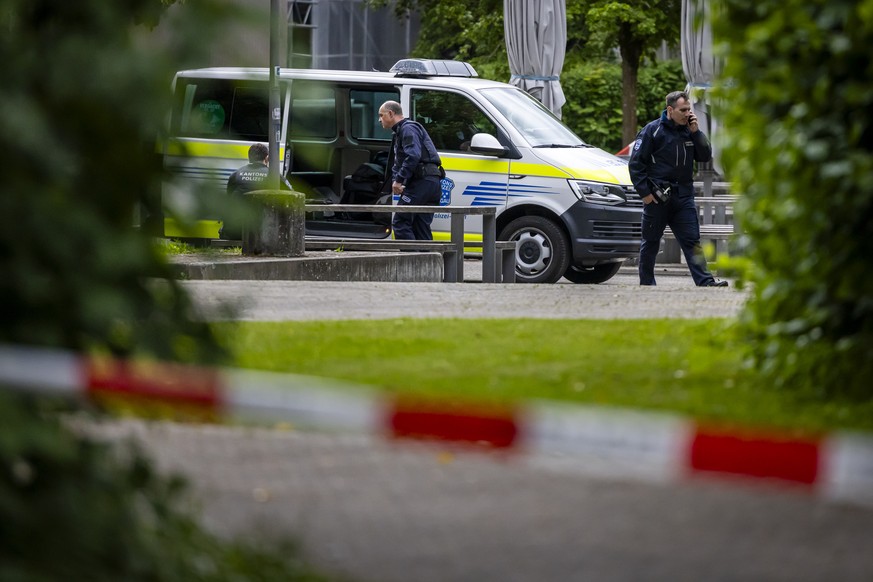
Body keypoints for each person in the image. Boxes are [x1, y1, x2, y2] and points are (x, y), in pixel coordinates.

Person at [628, 91, 729, 287]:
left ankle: (705, 282)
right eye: (683, 110)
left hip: (683, 197)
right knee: (650, 243)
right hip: (658, 197)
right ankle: (647, 284)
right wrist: (646, 194)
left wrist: (696, 132)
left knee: (692, 242)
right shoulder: (652, 130)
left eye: (689, 109)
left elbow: (704, 156)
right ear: (670, 110)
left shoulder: (689, 130)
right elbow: (636, 165)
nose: (688, 113)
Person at [378, 100, 443, 240]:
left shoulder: (408, 129)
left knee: (400, 222)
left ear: (391, 113)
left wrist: (399, 180)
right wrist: (396, 179)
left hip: (421, 182)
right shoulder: (402, 131)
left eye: (381, 115)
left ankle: (412, 261)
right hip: (431, 182)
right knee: (420, 226)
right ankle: (428, 260)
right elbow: (400, 161)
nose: (379, 119)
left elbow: (413, 155)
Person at [220, 142, 290, 240]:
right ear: (267, 158)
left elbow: (228, 199)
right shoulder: (275, 176)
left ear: (249, 157)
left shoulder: (235, 175)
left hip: (235, 231)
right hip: (263, 233)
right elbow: (292, 196)